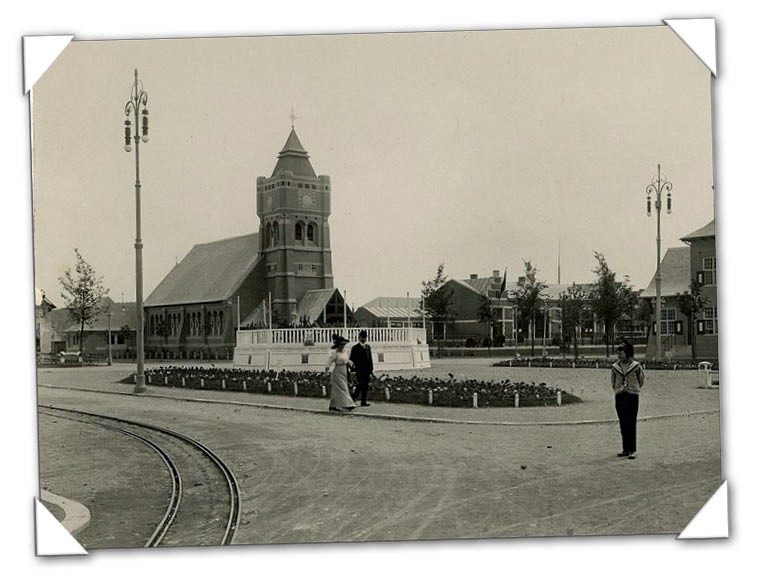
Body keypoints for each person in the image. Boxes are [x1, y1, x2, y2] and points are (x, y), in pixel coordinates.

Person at [611, 340, 645, 459]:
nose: (619, 355)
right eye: (618, 353)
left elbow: (641, 380)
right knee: (623, 423)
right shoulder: (615, 367)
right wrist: (618, 390)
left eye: (622, 353)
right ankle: (625, 449)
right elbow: (613, 382)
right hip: (620, 396)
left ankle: (632, 449)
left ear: (628, 353)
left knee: (631, 422)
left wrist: (633, 388)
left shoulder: (636, 366)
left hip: (632, 396)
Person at [325, 334, 356, 412]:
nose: (342, 346)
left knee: (338, 390)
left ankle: (333, 405)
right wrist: (326, 371)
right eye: (341, 345)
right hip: (337, 372)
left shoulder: (345, 352)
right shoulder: (335, 353)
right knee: (343, 388)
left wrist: (350, 363)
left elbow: (346, 360)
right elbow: (329, 362)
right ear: (338, 345)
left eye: (344, 345)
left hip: (344, 371)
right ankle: (348, 404)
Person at [349, 329, 375, 407]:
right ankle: (353, 398)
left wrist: (371, 370)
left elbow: (370, 359)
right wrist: (352, 369)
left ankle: (363, 401)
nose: (364, 339)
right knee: (360, 384)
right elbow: (351, 359)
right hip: (359, 369)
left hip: (367, 370)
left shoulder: (368, 347)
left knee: (365, 385)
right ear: (359, 338)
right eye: (362, 337)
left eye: (365, 337)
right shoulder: (355, 348)